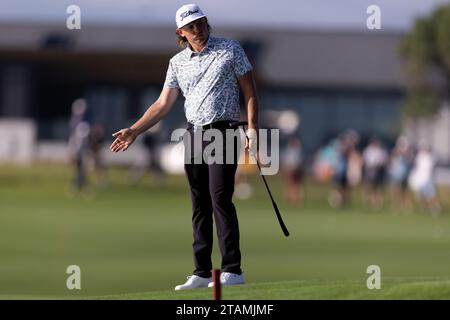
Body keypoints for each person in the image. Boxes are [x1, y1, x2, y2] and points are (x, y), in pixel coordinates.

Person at [110, 4, 258, 290]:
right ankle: (201, 272)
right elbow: (163, 104)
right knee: (198, 203)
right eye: (191, 27)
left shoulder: (230, 49)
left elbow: (250, 90)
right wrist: (135, 130)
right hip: (193, 134)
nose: (198, 30)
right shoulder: (177, 63)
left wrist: (252, 127)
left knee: (219, 198)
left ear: (206, 23)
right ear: (181, 32)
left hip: (224, 131)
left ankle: (232, 268)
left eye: (201, 23)